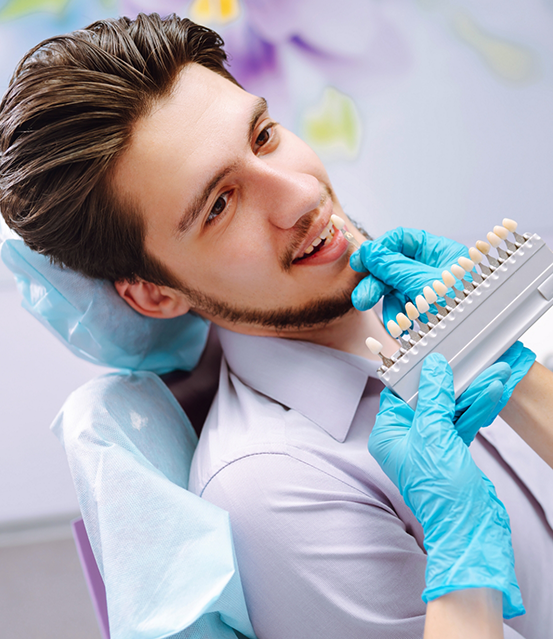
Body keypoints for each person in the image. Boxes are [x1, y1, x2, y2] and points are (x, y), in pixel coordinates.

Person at [1, 13, 552, 639]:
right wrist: (465, 562)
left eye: (263, 136)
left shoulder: (450, 299)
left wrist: (510, 357)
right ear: (154, 294)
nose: (298, 194)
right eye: (219, 204)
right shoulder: (273, 490)